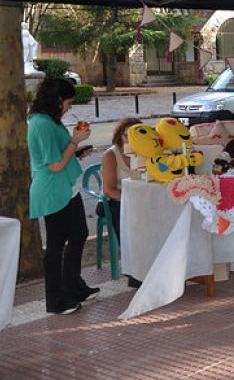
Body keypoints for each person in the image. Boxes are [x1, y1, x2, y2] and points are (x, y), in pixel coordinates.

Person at [28, 78, 98, 315]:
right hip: (52, 190)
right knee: (56, 245)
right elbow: (55, 165)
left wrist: (77, 151)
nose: (69, 107)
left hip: (68, 188)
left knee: (79, 234)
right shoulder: (41, 124)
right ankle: (56, 301)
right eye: (68, 102)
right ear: (57, 100)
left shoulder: (50, 121)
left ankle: (74, 287)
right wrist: (75, 142)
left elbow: (61, 155)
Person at [97, 117, 141, 287]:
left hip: (138, 199)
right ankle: (134, 271)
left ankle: (153, 260)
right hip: (113, 201)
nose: (130, 139)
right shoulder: (111, 155)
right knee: (126, 217)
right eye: (127, 135)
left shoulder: (145, 153)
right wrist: (132, 199)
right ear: (120, 136)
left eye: (136, 134)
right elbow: (109, 190)